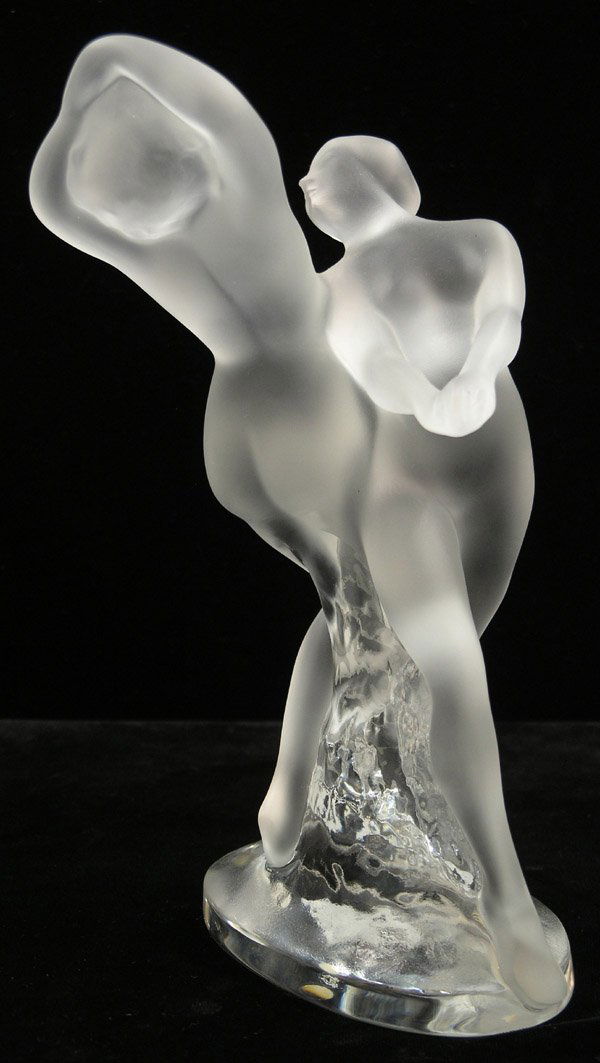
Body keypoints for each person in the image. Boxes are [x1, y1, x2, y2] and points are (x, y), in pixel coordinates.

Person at [30, 37, 567, 1010]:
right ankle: (504, 896)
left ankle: (296, 793)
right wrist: (103, 71)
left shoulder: (469, 238)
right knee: (442, 660)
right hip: (395, 479)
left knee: (391, 642)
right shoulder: (312, 279)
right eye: (313, 182)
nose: (312, 188)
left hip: (445, 458)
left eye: (323, 177)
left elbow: (504, 314)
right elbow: (123, 184)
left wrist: (468, 373)